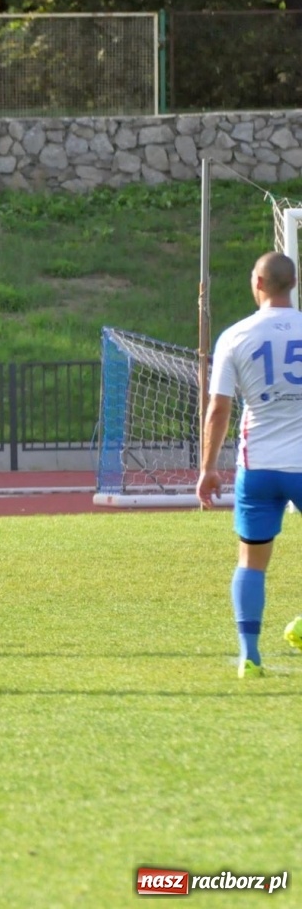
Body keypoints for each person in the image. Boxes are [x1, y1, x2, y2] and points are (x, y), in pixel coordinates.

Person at [197, 251, 302, 676]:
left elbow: (218, 409)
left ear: (257, 283)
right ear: (293, 283)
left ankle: (250, 656)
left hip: (258, 466)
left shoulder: (235, 336)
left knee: (251, 561)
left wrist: (208, 469)